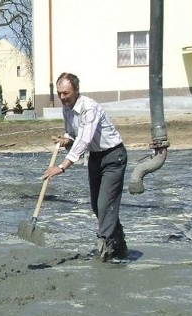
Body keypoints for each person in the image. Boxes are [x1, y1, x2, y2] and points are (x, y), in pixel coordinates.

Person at [43, 72, 128, 261]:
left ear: (76, 90)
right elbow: (73, 134)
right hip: (96, 157)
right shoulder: (66, 108)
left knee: (105, 204)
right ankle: (120, 245)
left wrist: (62, 167)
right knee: (98, 206)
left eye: (66, 93)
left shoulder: (89, 108)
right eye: (59, 93)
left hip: (114, 156)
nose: (63, 97)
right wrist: (66, 139)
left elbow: (84, 140)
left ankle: (105, 248)